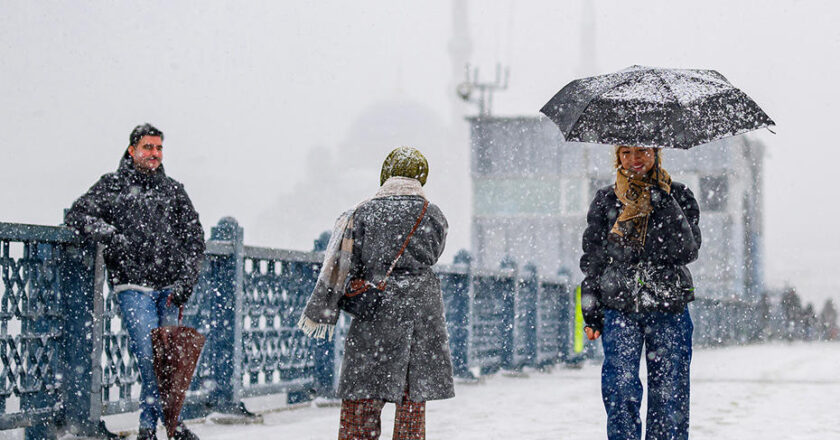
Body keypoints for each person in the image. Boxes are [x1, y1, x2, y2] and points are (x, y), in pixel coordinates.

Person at [298, 147, 454, 440]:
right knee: (412, 399)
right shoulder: (432, 214)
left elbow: (349, 263)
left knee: (363, 396)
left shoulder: (362, 212)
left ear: (386, 174)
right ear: (421, 176)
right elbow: (434, 253)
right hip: (420, 311)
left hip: (377, 310)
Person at [65, 123, 205, 440]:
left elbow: (195, 238)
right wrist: (111, 236)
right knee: (149, 357)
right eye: (148, 148)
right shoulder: (113, 186)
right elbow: (78, 215)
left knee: (169, 362)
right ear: (132, 150)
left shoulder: (173, 190)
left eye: (158, 148)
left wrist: (187, 280)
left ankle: (150, 428)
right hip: (133, 286)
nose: (154, 154)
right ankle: (167, 425)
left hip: (169, 289)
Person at [580, 145, 701, 440]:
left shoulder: (679, 195)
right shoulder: (607, 199)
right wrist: (592, 312)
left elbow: (688, 250)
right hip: (620, 307)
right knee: (619, 389)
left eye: (643, 151)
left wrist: (666, 204)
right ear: (618, 157)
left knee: (670, 393)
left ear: (656, 153)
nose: (634, 159)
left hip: (668, 305)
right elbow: (593, 259)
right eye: (626, 152)